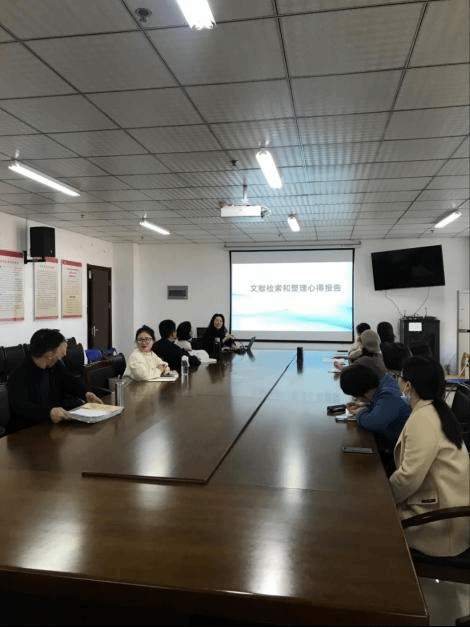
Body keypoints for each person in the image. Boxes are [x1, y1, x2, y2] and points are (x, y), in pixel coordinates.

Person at [390, 357, 469, 557]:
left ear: (408, 385)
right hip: (448, 512)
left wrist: (384, 497)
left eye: (399, 376)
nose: (397, 380)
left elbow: (409, 477)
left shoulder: (423, 419)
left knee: (369, 522)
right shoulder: (436, 409)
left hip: (438, 522)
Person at [7, 329, 103, 433]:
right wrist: (49, 413)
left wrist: (85, 393)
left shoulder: (54, 365)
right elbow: (22, 407)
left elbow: (69, 381)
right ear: (49, 355)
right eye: (60, 354)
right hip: (28, 432)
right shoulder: (18, 376)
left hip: (54, 428)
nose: (63, 355)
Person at [340, 364, 411, 454]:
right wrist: (367, 404)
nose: (358, 399)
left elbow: (373, 423)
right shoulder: (385, 381)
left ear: (363, 393)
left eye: (357, 396)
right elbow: (379, 407)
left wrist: (360, 412)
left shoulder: (388, 396)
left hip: (397, 447)